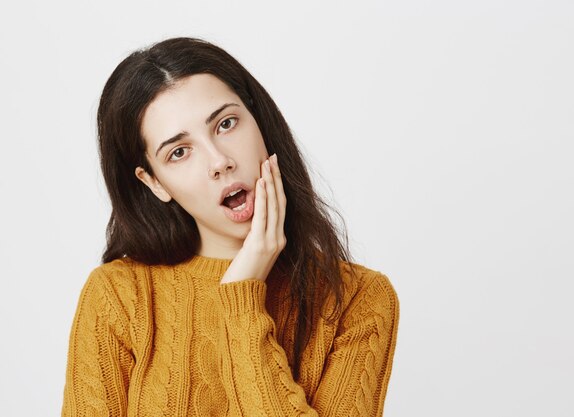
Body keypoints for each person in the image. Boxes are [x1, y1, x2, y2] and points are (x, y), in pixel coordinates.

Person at [61, 36, 400, 417]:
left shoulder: (359, 299)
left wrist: (242, 297)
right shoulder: (117, 297)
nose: (219, 161)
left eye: (225, 124)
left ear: (258, 121)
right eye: (179, 152)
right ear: (154, 182)